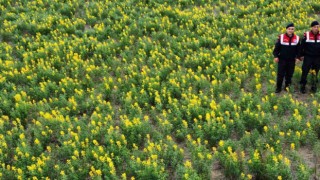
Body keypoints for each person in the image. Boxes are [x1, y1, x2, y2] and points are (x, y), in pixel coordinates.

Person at [273, 23, 300, 93]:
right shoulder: (281, 37)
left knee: (289, 74)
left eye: (292, 29)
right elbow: (276, 48)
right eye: (289, 29)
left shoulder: (297, 38)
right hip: (282, 59)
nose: (290, 30)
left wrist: (298, 57)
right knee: (280, 74)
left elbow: (298, 49)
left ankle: (287, 87)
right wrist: (275, 56)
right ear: (286, 29)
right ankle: (278, 88)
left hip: (291, 60)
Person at [299, 21, 320, 94]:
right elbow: (302, 46)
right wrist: (301, 55)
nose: (316, 28)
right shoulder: (306, 35)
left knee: (315, 72)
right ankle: (302, 86)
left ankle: (313, 86)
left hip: (317, 58)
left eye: (317, 27)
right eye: (315, 27)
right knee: (305, 71)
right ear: (312, 27)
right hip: (308, 57)